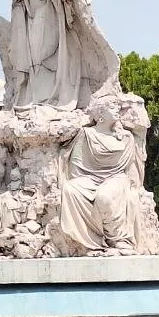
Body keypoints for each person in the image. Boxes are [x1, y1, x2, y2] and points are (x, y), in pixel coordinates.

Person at [56, 95, 142, 253]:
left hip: (116, 178)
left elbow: (131, 168)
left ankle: (117, 239)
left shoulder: (126, 137)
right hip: (89, 178)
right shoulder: (86, 134)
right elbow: (76, 164)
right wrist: (82, 181)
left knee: (104, 197)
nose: (117, 109)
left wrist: (134, 189)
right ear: (100, 113)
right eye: (112, 107)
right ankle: (88, 240)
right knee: (70, 189)